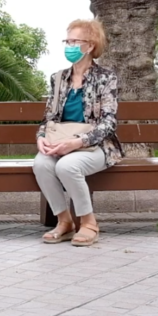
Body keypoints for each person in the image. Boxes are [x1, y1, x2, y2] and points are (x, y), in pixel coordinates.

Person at [33, 19, 122, 247]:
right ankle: (65, 222)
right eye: (67, 40)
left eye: (75, 41)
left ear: (90, 46)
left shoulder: (106, 78)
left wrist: (78, 143)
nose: (69, 46)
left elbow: (108, 122)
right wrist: (41, 137)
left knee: (67, 166)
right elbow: (48, 118)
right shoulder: (58, 78)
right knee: (41, 164)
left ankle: (89, 223)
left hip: (96, 146)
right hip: (60, 142)